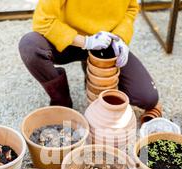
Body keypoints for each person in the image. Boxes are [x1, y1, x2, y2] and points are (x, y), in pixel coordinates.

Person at [19, 0, 159, 110]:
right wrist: (86, 42)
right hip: (69, 41)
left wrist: (121, 37)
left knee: (148, 98)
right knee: (30, 45)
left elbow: (131, 8)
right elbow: (42, 21)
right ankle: (62, 100)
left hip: (104, 43)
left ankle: (91, 70)